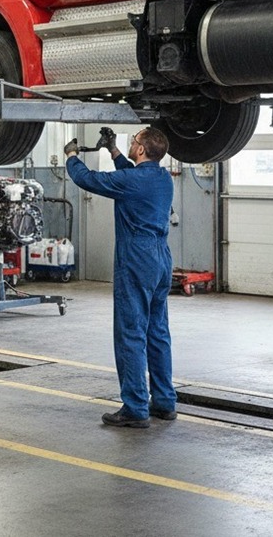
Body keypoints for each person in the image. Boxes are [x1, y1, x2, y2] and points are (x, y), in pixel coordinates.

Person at [65, 126, 177, 428]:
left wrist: (72, 156)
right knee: (157, 331)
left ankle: (135, 407)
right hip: (161, 257)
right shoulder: (162, 177)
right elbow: (130, 174)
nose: (132, 141)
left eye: (134, 140)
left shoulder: (133, 181)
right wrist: (113, 150)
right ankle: (164, 401)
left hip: (138, 257)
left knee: (131, 332)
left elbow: (88, 179)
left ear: (140, 149)